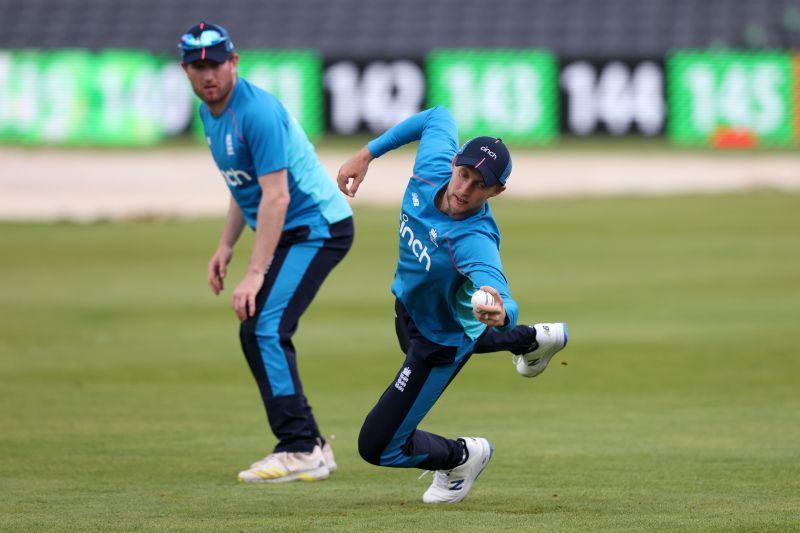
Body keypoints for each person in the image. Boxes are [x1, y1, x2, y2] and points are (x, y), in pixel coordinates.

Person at [336, 106, 568, 504]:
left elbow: (500, 293)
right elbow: (436, 116)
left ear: (496, 192)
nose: (464, 189)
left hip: (439, 344)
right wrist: (367, 153)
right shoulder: (432, 167)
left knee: (378, 446)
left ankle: (462, 457)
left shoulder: (474, 239)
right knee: (452, 327)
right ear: (454, 162)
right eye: (463, 173)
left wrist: (503, 313)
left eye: (480, 185)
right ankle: (532, 340)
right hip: (411, 310)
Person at [179, 22, 354, 484]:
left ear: (233, 63)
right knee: (259, 329)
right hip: (291, 230)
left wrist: (255, 273)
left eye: (214, 63)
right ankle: (311, 444)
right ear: (185, 71)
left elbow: (276, 197)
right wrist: (225, 245)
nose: (206, 74)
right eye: (197, 67)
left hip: (319, 227)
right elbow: (247, 188)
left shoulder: (254, 113)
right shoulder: (211, 114)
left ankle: (299, 447)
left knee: (265, 329)